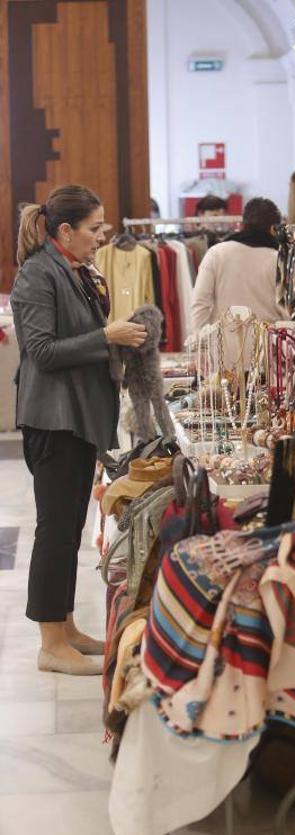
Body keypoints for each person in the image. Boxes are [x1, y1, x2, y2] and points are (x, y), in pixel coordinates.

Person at [11, 185, 147, 676]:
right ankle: (50, 643)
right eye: (94, 228)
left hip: (78, 416)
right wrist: (106, 335)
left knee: (70, 526)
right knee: (54, 529)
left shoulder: (72, 271)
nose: (102, 236)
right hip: (53, 418)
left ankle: (65, 626)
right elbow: (43, 351)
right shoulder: (36, 275)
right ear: (65, 231)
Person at [190, 196, 284, 366]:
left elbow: (200, 303)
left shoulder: (216, 253)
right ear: (273, 228)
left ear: (243, 223)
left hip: (223, 351)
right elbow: (286, 312)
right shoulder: (279, 259)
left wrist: (200, 346)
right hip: (266, 353)